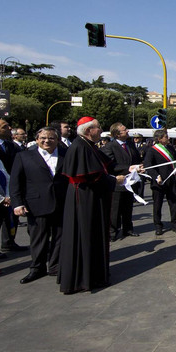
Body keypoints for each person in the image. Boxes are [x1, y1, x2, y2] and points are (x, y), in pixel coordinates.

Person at [58, 117, 128, 295]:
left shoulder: (89, 146)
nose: (101, 130)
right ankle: (85, 278)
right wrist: (115, 180)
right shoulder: (80, 147)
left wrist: (131, 168)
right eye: (98, 127)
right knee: (86, 235)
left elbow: (109, 165)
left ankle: (96, 275)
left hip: (93, 198)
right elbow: (88, 177)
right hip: (85, 199)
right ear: (89, 130)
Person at [10, 127, 68, 283]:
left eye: (51, 138)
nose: (47, 141)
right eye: (43, 138)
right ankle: (37, 268)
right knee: (38, 239)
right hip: (36, 204)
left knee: (59, 237)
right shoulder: (24, 156)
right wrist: (17, 204)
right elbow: (15, 183)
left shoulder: (66, 155)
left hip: (61, 203)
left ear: (57, 140)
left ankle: (55, 266)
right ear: (36, 139)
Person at [101, 122, 143, 241]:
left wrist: (139, 167)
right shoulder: (109, 147)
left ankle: (128, 228)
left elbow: (136, 159)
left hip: (130, 182)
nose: (128, 131)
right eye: (125, 130)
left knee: (128, 207)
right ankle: (113, 231)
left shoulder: (129, 144)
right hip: (118, 183)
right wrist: (127, 168)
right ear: (117, 134)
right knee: (115, 209)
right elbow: (111, 165)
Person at [143, 129, 176, 235]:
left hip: (170, 180)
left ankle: (175, 224)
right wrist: (156, 176)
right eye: (165, 136)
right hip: (158, 182)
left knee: (173, 203)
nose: (168, 138)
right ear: (159, 139)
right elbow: (148, 165)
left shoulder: (170, 148)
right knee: (157, 204)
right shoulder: (152, 150)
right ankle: (158, 225)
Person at [0, 119, 27, 253]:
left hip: (12, 186)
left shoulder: (12, 146)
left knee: (11, 217)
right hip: (0, 188)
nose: (9, 128)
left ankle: (9, 242)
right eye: (5, 127)